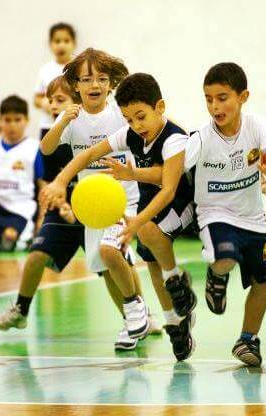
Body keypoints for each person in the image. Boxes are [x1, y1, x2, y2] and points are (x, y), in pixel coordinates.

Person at [42, 72, 197, 361]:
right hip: (150, 202)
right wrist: (61, 181)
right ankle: (175, 321)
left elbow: (168, 185)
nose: (136, 126)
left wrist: (136, 215)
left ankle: (176, 279)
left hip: (181, 203)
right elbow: (86, 155)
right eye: (129, 120)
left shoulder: (175, 137)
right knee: (150, 262)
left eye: (141, 117)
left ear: (159, 108)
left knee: (149, 233)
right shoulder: (131, 134)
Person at [40, 48, 152, 347]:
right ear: (75, 85)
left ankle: (135, 311)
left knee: (111, 251)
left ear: (111, 84)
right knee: (107, 269)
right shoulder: (71, 118)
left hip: (125, 199)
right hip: (91, 206)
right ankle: (134, 320)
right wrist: (62, 122)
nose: (95, 85)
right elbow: (47, 149)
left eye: (102, 79)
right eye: (87, 79)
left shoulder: (119, 114)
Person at [184, 62, 266, 366]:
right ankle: (216, 274)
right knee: (226, 257)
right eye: (208, 98)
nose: (214, 106)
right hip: (215, 213)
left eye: (222, 97)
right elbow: (173, 169)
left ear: (243, 96)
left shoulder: (255, 126)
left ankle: (247, 340)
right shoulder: (202, 139)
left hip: (254, 218)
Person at [0, 95, 44, 251]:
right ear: (0, 120)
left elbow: (43, 187)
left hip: (20, 208)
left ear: (27, 120)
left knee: (10, 235)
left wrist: (41, 223)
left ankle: (5, 236)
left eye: (17, 120)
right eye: (7, 120)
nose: (12, 125)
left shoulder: (35, 148)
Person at [34, 22, 76, 139]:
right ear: (50, 44)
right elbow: (36, 99)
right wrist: (45, 103)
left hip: (73, 125)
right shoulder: (45, 70)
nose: (61, 45)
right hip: (48, 125)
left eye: (66, 41)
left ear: (74, 44)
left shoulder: (79, 68)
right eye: (57, 41)